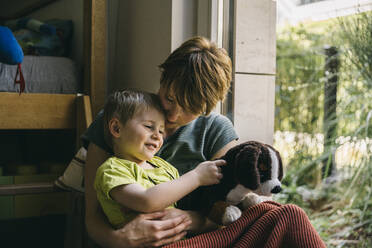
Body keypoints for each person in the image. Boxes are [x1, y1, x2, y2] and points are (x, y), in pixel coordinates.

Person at [83, 36, 326, 248]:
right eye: (169, 98)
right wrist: (123, 240)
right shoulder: (122, 120)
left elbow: (235, 208)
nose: (172, 115)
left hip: (204, 237)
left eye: (189, 108)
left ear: (207, 109)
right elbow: (92, 217)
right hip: (133, 242)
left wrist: (190, 219)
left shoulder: (215, 130)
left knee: (288, 215)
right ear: (163, 78)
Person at [94, 89, 225, 229]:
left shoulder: (164, 167)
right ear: (116, 128)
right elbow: (146, 201)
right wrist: (197, 176)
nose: (158, 136)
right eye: (149, 127)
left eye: (161, 131)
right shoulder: (112, 170)